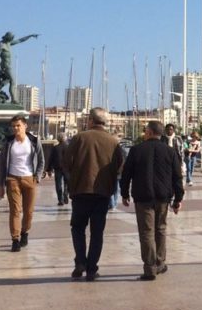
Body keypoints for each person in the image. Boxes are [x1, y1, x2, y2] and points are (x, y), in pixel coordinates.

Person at [63, 107, 124, 280]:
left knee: (78, 228)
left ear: (90, 120)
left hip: (80, 191)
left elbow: (66, 163)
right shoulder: (113, 142)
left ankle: (80, 261)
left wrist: (72, 181)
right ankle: (91, 269)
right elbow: (120, 167)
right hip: (102, 194)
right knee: (97, 233)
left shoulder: (79, 138)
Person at [121, 120, 184, 281]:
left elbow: (126, 174)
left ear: (149, 132)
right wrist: (178, 199)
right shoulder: (170, 152)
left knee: (146, 232)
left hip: (143, 197)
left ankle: (150, 268)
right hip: (163, 197)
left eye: (145, 130)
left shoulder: (136, 150)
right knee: (161, 229)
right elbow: (177, 177)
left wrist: (124, 193)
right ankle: (160, 263)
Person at [0, 115, 45, 252]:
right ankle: (15, 239)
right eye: (14, 126)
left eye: (18, 125)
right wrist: (0, 184)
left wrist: (37, 177)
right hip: (13, 179)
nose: (16, 128)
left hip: (29, 178)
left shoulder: (34, 141)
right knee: (15, 210)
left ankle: (25, 232)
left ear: (25, 126)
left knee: (28, 211)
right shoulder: (9, 142)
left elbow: (41, 160)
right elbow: (2, 164)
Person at [0, 31, 39, 103]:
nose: (11, 40)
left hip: (8, 66)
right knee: (13, 81)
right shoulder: (1, 45)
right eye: (10, 38)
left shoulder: (9, 43)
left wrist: (30, 36)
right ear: (7, 38)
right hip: (5, 67)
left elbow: (20, 40)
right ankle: (13, 99)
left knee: (6, 81)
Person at [46, 134, 69, 205]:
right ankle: (66, 193)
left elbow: (51, 159)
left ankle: (60, 200)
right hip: (67, 168)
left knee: (58, 184)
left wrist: (49, 169)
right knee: (67, 183)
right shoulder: (69, 147)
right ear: (65, 139)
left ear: (58, 139)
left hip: (58, 168)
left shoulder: (55, 148)